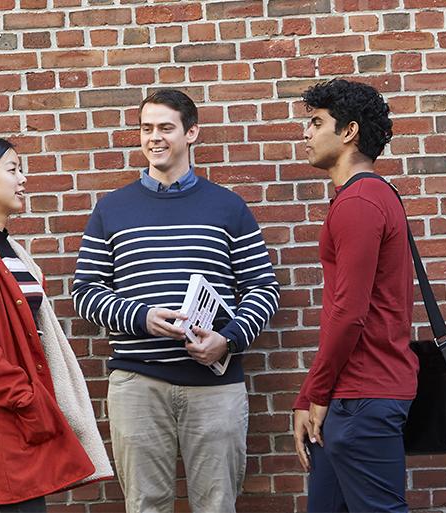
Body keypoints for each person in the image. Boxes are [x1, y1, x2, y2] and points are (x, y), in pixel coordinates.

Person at [72, 89, 280, 513]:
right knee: (146, 505)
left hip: (215, 386)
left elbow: (263, 287)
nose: (155, 138)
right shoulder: (111, 209)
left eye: (166, 127)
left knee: (217, 505)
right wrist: (140, 317)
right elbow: (85, 291)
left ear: (192, 133)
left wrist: (229, 339)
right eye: (146, 128)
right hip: (137, 385)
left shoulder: (228, 207)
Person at [0, 138, 112, 512]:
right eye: (13, 170)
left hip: (22, 415)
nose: (23, 179)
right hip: (7, 418)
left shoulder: (8, 249)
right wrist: (27, 400)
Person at [291, 79, 419, 513]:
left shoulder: (360, 202)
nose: (305, 133)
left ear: (348, 132)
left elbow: (348, 314)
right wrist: (308, 396)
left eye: (315, 122)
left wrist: (317, 396)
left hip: (362, 398)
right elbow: (339, 316)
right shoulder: (367, 197)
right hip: (348, 395)